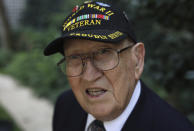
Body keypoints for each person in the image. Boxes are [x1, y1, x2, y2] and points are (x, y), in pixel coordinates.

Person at [43, 1, 194, 131]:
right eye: (74, 57)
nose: (89, 76)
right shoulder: (66, 106)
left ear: (137, 59)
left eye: (103, 52)